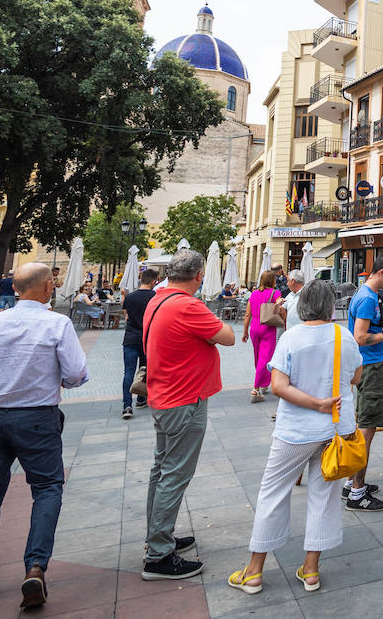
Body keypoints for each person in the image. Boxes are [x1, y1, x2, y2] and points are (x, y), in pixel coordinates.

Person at [0, 263, 87, 608]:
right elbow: (76, 374)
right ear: (47, 287)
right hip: (36, 417)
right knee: (47, 488)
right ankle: (35, 567)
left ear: (15, 289)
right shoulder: (57, 323)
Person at [227, 281, 362, 597]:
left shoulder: (291, 338)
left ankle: (254, 571)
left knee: (273, 491)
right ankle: (311, 569)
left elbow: (278, 386)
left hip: (297, 430)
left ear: (302, 307)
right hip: (337, 429)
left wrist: (315, 403)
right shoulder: (344, 336)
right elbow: (356, 377)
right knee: (324, 495)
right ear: (330, 307)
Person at [141, 249, 235, 581]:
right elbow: (229, 337)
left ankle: (158, 536)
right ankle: (158, 555)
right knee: (175, 474)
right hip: (184, 400)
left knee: (162, 469)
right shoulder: (188, 305)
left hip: (164, 395)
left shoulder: (158, 299)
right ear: (198, 276)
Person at [346, 254, 383, 512]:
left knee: (364, 425)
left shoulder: (365, 295)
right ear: (381, 272)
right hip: (370, 365)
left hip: (368, 364)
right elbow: (360, 336)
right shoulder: (368, 298)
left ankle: (352, 483)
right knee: (366, 428)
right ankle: (357, 492)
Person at [121, 268, 160, 418]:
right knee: (146, 370)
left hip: (130, 339)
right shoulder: (155, 297)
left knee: (128, 373)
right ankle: (142, 398)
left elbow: (126, 316)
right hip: (148, 340)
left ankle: (127, 406)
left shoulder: (129, 297)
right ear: (152, 282)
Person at [243, 271, 283, 404]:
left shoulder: (253, 294)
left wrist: (245, 331)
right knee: (265, 359)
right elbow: (278, 302)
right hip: (268, 328)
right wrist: (279, 302)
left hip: (254, 327)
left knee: (258, 357)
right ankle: (255, 389)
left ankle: (263, 384)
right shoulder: (275, 292)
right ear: (272, 280)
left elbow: (247, 314)